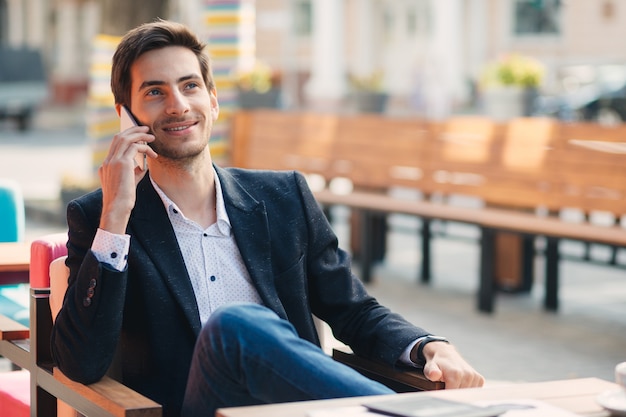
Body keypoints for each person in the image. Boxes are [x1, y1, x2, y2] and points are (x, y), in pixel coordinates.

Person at [51, 19, 484, 417]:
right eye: (154, 92)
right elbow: (80, 363)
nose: (178, 105)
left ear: (213, 101)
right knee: (235, 326)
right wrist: (116, 215)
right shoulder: (101, 218)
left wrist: (428, 345)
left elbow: (354, 310)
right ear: (125, 117)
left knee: (241, 326)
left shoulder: (283, 197)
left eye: (190, 86)